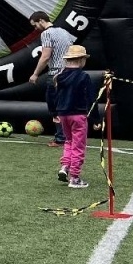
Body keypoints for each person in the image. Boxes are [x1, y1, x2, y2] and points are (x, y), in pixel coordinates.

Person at [50, 44, 98, 188]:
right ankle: (75, 178)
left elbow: (53, 95)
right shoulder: (84, 76)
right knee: (79, 146)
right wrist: (96, 119)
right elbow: (91, 99)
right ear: (82, 60)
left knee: (68, 141)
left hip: (63, 115)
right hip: (78, 115)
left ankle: (65, 166)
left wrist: (54, 112)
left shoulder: (59, 76)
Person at [28, 11, 74, 148]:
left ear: (41, 20)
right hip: (70, 73)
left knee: (54, 107)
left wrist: (35, 74)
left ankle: (60, 138)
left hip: (56, 75)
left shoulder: (46, 34)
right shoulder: (64, 32)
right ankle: (69, 136)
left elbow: (46, 56)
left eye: (35, 25)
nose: (35, 28)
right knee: (66, 106)